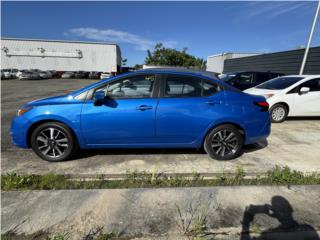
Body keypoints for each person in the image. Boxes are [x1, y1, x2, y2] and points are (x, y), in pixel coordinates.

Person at [240, 196, 319, 240]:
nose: (284, 213)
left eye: (284, 209)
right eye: (280, 210)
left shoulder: (269, 235)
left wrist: (246, 223)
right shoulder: (307, 230)